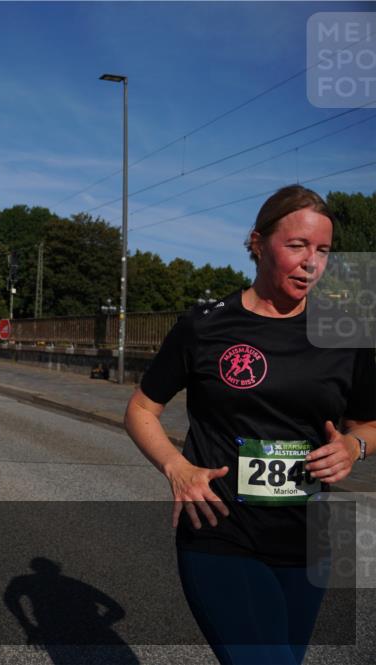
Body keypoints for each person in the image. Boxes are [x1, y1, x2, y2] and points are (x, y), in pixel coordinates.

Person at [124, 185, 375, 665]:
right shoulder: (205, 326)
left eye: (323, 251)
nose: (311, 263)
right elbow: (140, 409)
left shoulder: (346, 334)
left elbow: (369, 423)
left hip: (307, 540)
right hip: (221, 530)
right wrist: (177, 468)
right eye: (297, 246)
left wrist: (353, 447)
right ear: (258, 243)